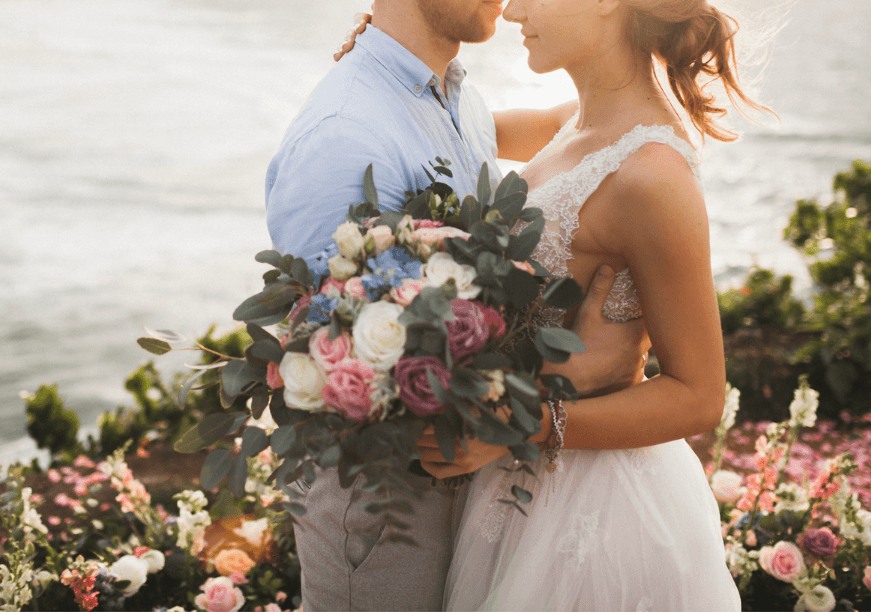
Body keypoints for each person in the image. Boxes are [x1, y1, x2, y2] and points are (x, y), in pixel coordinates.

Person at [263, 2, 650, 610]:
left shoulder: (456, 98)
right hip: (381, 504)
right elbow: (349, 380)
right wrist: (575, 376)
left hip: (473, 484)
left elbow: (578, 129)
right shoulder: (344, 136)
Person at [411, 0, 765, 607]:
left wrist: (526, 423)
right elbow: (418, 139)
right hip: (509, 484)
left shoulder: (652, 177)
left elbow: (700, 395)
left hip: (595, 512)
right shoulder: (565, 123)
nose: (514, 9)